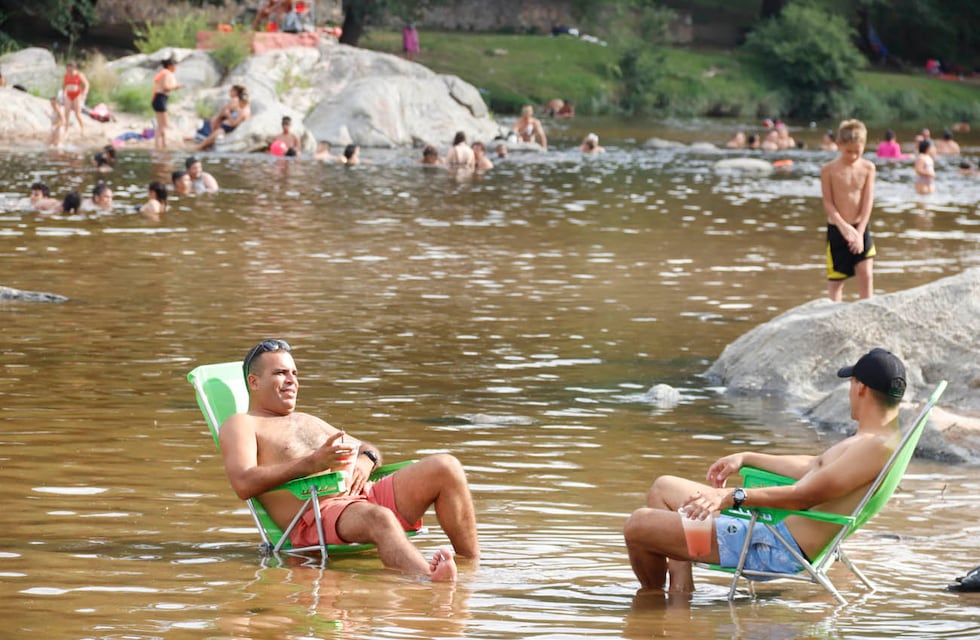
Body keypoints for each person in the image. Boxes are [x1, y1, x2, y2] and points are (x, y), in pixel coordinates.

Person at [624, 347, 907, 594]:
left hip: (772, 547)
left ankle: (654, 604)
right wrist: (747, 458)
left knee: (638, 526)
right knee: (664, 488)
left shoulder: (873, 448)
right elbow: (813, 466)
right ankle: (680, 595)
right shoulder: (877, 441)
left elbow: (802, 497)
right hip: (770, 532)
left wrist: (730, 496)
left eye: (851, 384)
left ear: (860, 388)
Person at [219, 339, 480, 581]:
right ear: (254, 382)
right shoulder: (242, 424)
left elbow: (366, 447)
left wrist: (366, 460)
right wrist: (311, 463)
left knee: (446, 467)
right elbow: (243, 481)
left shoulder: (307, 419)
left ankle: (473, 567)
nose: (291, 380)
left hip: (362, 495)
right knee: (380, 517)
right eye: (280, 373)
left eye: (294, 373)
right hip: (317, 513)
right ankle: (430, 582)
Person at [821, 119, 876, 302]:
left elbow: (868, 202)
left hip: (861, 226)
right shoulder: (828, 170)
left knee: (866, 273)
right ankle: (833, 314)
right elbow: (828, 203)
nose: (853, 156)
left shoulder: (868, 168)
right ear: (838, 145)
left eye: (857, 152)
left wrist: (859, 232)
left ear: (864, 147)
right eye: (848, 151)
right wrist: (843, 227)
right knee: (837, 281)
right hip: (838, 229)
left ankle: (867, 308)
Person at [194, 85, 250, 151]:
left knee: (213, 136)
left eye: (231, 90)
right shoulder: (240, 107)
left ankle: (198, 147)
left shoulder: (242, 110)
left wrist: (227, 114)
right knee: (209, 136)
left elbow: (234, 123)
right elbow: (225, 113)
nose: (230, 92)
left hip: (226, 128)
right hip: (222, 126)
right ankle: (199, 145)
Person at [152, 56, 180, 151]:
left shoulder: (163, 73)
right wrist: (175, 86)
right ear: (170, 66)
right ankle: (159, 145)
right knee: (164, 124)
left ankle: (162, 144)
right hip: (161, 98)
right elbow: (165, 87)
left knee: (161, 124)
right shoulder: (167, 73)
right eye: (174, 65)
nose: (175, 68)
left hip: (157, 98)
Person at [61, 61, 90, 137]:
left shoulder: (79, 75)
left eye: (70, 68)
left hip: (77, 94)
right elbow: (64, 85)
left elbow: (87, 84)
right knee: (66, 112)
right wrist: (64, 93)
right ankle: (66, 130)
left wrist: (85, 93)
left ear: (73, 68)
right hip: (68, 94)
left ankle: (82, 128)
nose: (68, 70)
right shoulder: (66, 75)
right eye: (67, 68)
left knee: (77, 113)